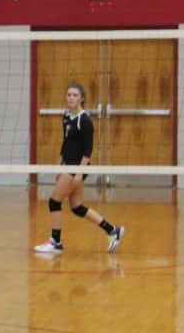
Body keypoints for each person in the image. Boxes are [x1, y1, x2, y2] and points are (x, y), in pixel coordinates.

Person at [35, 83, 126, 254]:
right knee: (77, 207)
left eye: (75, 95)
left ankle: (56, 242)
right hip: (69, 166)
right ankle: (112, 230)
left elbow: (87, 151)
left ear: (82, 99)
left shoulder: (84, 121)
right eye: (69, 94)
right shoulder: (66, 117)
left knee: (54, 201)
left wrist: (79, 172)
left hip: (77, 167)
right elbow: (66, 143)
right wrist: (59, 165)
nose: (71, 97)